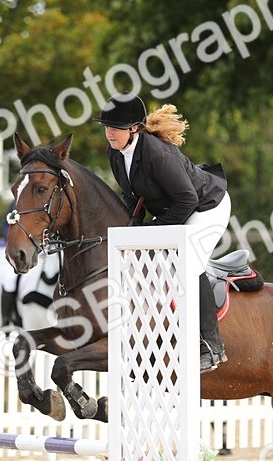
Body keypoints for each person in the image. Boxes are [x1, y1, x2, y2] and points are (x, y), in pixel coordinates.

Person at [95, 92, 232, 372]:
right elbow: (132, 195)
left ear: (134, 128)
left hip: (207, 206)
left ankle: (211, 347)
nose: (109, 133)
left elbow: (188, 200)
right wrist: (127, 226)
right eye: (107, 127)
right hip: (179, 207)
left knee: (188, 264)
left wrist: (153, 230)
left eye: (116, 128)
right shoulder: (116, 152)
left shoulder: (156, 153)